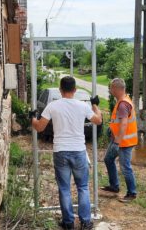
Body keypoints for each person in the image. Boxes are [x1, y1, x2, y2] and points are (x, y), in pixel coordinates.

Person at [30, 76, 102, 230]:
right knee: (82, 187)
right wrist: (95, 105)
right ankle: (85, 222)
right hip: (78, 151)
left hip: (61, 151)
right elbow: (98, 120)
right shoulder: (82, 106)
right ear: (75, 90)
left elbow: (39, 128)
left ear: (60, 90)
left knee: (64, 188)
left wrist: (32, 117)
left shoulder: (52, 106)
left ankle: (68, 222)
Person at [101, 78, 138, 203]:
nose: (110, 90)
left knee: (125, 167)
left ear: (117, 89)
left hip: (123, 142)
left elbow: (123, 125)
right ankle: (114, 186)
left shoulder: (122, 104)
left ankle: (132, 193)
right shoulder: (123, 100)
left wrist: (117, 142)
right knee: (108, 159)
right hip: (118, 139)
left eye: (111, 88)